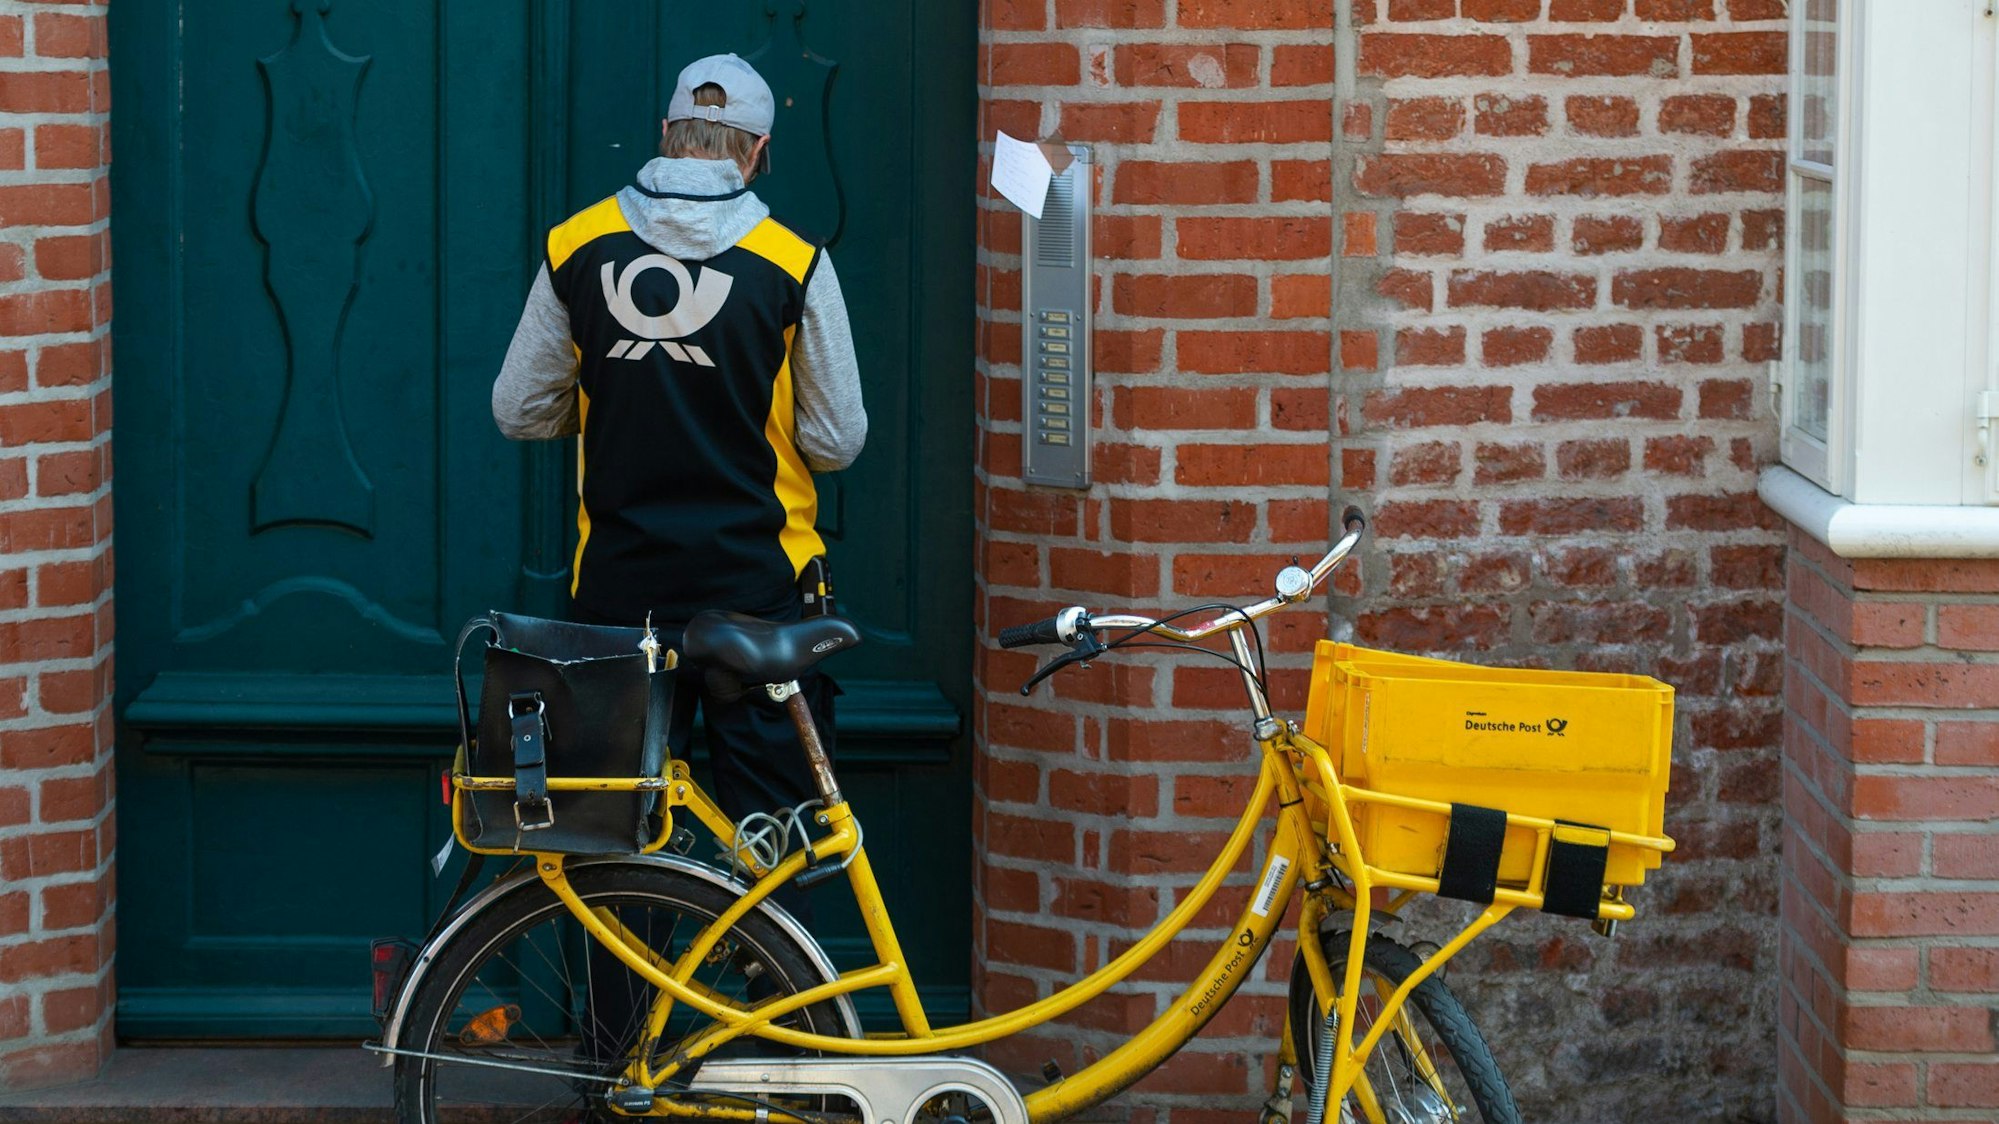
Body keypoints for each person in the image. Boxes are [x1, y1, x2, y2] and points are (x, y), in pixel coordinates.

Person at [491, 53, 865, 885]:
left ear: (665, 134)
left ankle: (620, 1021)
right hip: (757, 597)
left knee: (615, 848)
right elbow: (836, 440)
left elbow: (519, 409)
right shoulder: (792, 263)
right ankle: (771, 1007)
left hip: (622, 596)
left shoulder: (576, 245)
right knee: (776, 853)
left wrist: (616, 395)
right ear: (757, 150)